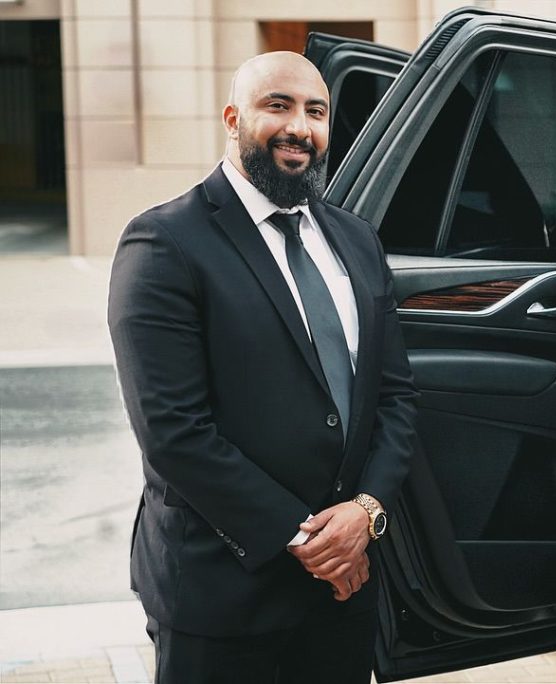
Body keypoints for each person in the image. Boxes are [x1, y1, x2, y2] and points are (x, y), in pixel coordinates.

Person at [107, 51, 418, 683]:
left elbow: (393, 395)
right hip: (220, 592)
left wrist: (365, 512)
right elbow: (173, 431)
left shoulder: (357, 240)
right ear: (233, 118)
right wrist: (305, 540)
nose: (299, 127)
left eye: (316, 112)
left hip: (343, 587)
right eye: (278, 106)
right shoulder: (164, 242)